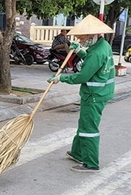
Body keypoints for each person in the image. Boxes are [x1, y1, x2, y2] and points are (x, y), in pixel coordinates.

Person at [47, 14, 115, 172]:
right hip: (98, 93)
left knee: (88, 128)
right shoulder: (102, 45)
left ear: (92, 35)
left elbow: (83, 76)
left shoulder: (98, 52)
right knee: (84, 123)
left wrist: (61, 79)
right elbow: (92, 59)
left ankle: (91, 163)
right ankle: (77, 152)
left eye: (82, 38)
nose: (80, 40)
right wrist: (79, 51)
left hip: (94, 95)